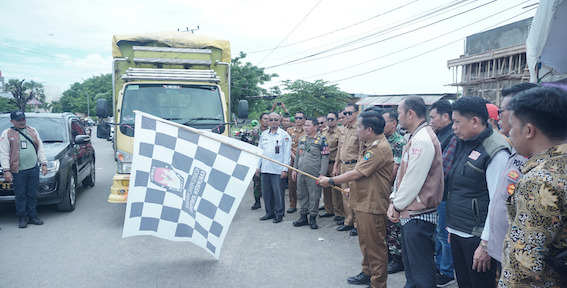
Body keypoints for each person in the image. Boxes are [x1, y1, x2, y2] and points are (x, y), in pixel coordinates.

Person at [499, 86, 567, 287]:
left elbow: (523, 265)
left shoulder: (539, 182)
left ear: (529, 130)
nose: (509, 133)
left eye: (512, 126)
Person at [319, 110, 393, 288]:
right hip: (363, 200)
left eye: (359, 127)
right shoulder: (370, 145)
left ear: (369, 129)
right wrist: (351, 190)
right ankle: (367, 273)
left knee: (375, 247)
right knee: (365, 243)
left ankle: (378, 283)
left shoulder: (378, 148)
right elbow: (365, 177)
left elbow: (358, 172)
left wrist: (330, 181)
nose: (357, 130)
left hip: (373, 204)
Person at [446, 96, 510, 288]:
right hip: (459, 229)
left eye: (457, 122)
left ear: (474, 121)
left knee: (479, 284)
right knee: (464, 283)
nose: (453, 127)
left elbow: (498, 202)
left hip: (477, 235)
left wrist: (485, 244)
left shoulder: (496, 151)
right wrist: (452, 228)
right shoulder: (463, 141)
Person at [387, 96, 444, 288]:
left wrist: (396, 204)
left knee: (421, 272)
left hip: (418, 215)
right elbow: (404, 177)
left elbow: (413, 180)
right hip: (411, 212)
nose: (398, 117)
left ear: (410, 113)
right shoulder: (416, 136)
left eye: (400, 112)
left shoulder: (423, 140)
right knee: (412, 269)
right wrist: (394, 200)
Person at [486, 83, 538, 272]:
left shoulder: (542, 169)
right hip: (503, 250)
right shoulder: (516, 149)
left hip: (521, 262)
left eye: (503, 110)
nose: (499, 116)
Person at [0, 111, 48, 228]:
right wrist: (6, 170)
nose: (22, 122)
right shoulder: (7, 134)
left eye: (23, 119)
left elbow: (40, 148)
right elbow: (4, 153)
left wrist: (44, 163)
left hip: (33, 168)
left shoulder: (32, 131)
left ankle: (33, 216)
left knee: (32, 194)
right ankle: (22, 217)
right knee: (20, 195)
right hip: (18, 171)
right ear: (12, 121)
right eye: (18, 120)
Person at [429, 99, 456, 287]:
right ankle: (439, 266)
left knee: (444, 234)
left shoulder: (451, 137)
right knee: (439, 233)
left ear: (445, 116)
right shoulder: (441, 134)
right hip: (440, 193)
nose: (431, 120)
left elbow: (442, 169)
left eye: (433, 117)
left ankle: (446, 271)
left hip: (446, 194)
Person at [380, 109, 406, 275]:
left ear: (394, 123)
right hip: (382, 187)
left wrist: (383, 185)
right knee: (384, 223)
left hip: (392, 188)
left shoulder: (399, 142)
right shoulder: (382, 140)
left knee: (393, 224)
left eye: (385, 122)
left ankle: (398, 259)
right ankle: (388, 254)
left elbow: (395, 169)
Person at [291, 117, 329, 229]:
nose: (305, 128)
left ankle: (312, 217)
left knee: (314, 195)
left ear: (316, 127)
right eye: (305, 125)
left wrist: (322, 174)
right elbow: (298, 156)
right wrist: (294, 169)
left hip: (314, 174)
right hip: (301, 172)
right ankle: (303, 216)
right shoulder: (302, 139)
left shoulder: (322, 140)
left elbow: (325, 158)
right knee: (302, 194)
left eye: (308, 125)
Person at [256, 112, 291, 224]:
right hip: (265, 168)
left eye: (275, 120)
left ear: (279, 121)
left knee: (278, 193)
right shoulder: (264, 134)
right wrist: (257, 167)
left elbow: (287, 154)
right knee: (266, 193)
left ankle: (279, 214)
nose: (273, 122)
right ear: (267, 121)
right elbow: (260, 152)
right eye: (271, 120)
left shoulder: (284, 135)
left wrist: (285, 169)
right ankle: (269, 212)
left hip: (277, 170)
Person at [334, 103, 360, 234]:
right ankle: (348, 221)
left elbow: (362, 151)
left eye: (350, 113)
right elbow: (340, 149)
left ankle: (357, 224)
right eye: (345, 113)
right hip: (343, 165)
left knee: (354, 194)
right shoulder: (343, 129)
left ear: (356, 113)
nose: (347, 116)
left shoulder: (360, 129)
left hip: (354, 165)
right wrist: (336, 165)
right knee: (344, 194)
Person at [320, 112, 345, 222]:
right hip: (324, 163)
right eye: (328, 119)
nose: (330, 121)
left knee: (336, 189)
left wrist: (337, 166)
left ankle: (339, 212)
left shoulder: (341, 132)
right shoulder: (323, 132)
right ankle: (328, 210)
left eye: (332, 119)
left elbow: (340, 151)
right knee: (325, 188)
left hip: (335, 163)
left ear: (337, 120)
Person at [286, 112, 306, 214]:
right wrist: (295, 157)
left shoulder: (307, 131)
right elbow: (287, 147)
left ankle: (305, 206)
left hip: (305, 161)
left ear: (304, 119)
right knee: (292, 184)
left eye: (300, 118)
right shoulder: (289, 131)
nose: (298, 120)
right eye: (296, 118)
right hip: (292, 160)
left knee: (304, 184)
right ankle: (292, 205)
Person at [251, 113, 270, 210]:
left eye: (268, 119)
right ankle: (257, 201)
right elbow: (250, 144)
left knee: (268, 183)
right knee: (256, 181)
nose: (266, 121)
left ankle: (269, 204)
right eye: (265, 119)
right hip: (257, 158)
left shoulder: (272, 130)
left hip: (268, 159)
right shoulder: (255, 131)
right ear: (260, 120)